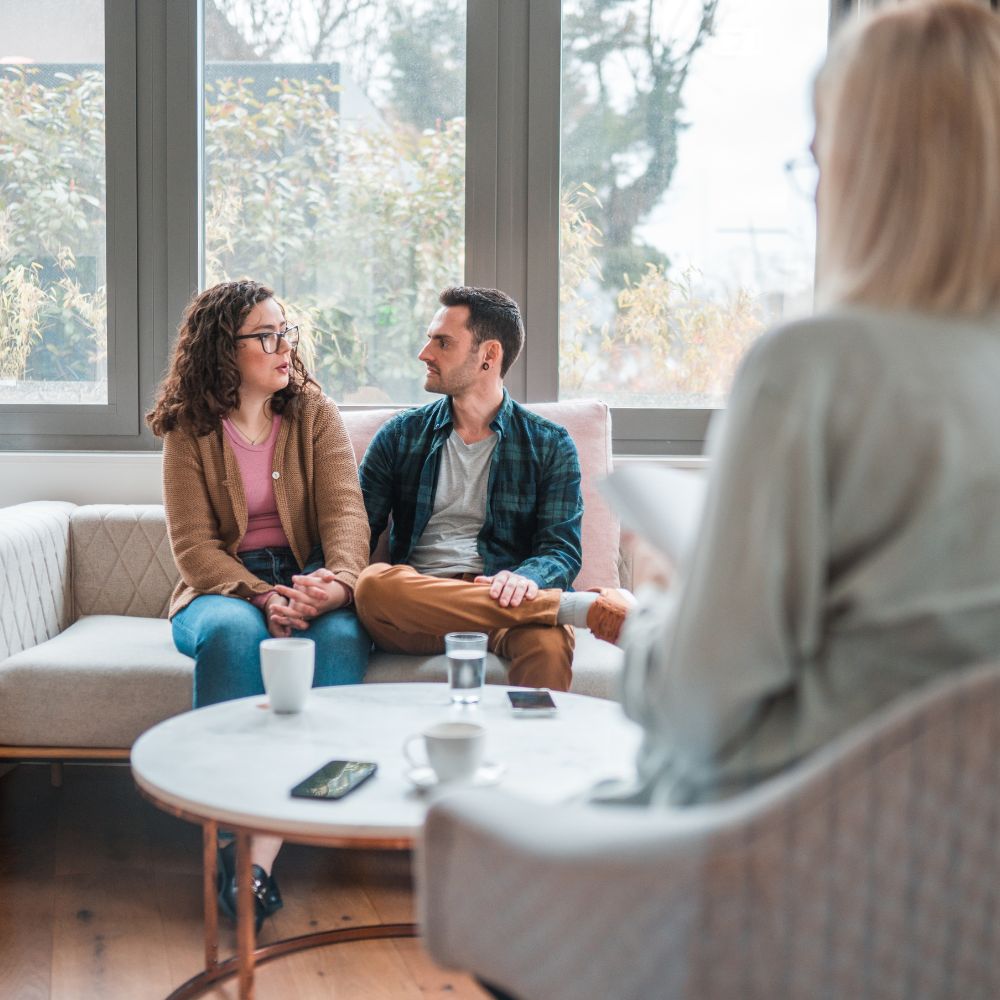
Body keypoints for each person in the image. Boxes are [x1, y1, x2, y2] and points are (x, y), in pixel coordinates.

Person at [606, 0, 1000, 808]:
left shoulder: (811, 368)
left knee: (476, 836)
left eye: (819, 164)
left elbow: (699, 708)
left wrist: (654, 599)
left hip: (788, 855)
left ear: (869, 173)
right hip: (962, 879)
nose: (817, 192)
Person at [147, 279, 371, 930]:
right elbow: (193, 546)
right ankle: (225, 828)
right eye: (265, 335)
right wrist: (260, 593)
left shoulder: (314, 413)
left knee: (339, 641)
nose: (284, 346)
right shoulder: (190, 429)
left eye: (286, 331)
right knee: (234, 638)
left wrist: (337, 581)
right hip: (221, 587)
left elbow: (347, 516)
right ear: (225, 348)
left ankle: (258, 857)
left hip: (310, 578)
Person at [354, 286, 631, 692]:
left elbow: (561, 549)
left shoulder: (549, 443)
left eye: (442, 342)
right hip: (420, 608)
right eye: (430, 338)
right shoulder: (401, 435)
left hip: (507, 600)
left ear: (489, 355)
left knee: (549, 642)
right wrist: (321, 579)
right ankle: (573, 608)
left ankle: (530, 755)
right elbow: (355, 528)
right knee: (374, 585)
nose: (424, 353)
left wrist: (526, 579)